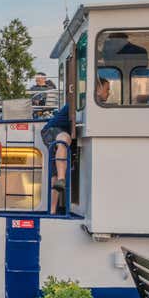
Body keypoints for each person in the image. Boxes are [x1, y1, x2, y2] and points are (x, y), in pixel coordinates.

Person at [43, 77, 110, 212]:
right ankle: (62, 179)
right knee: (64, 139)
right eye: (107, 89)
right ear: (98, 89)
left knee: (55, 172)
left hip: (59, 133)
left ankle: (52, 210)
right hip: (52, 130)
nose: (109, 93)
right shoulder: (81, 102)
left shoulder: (94, 105)